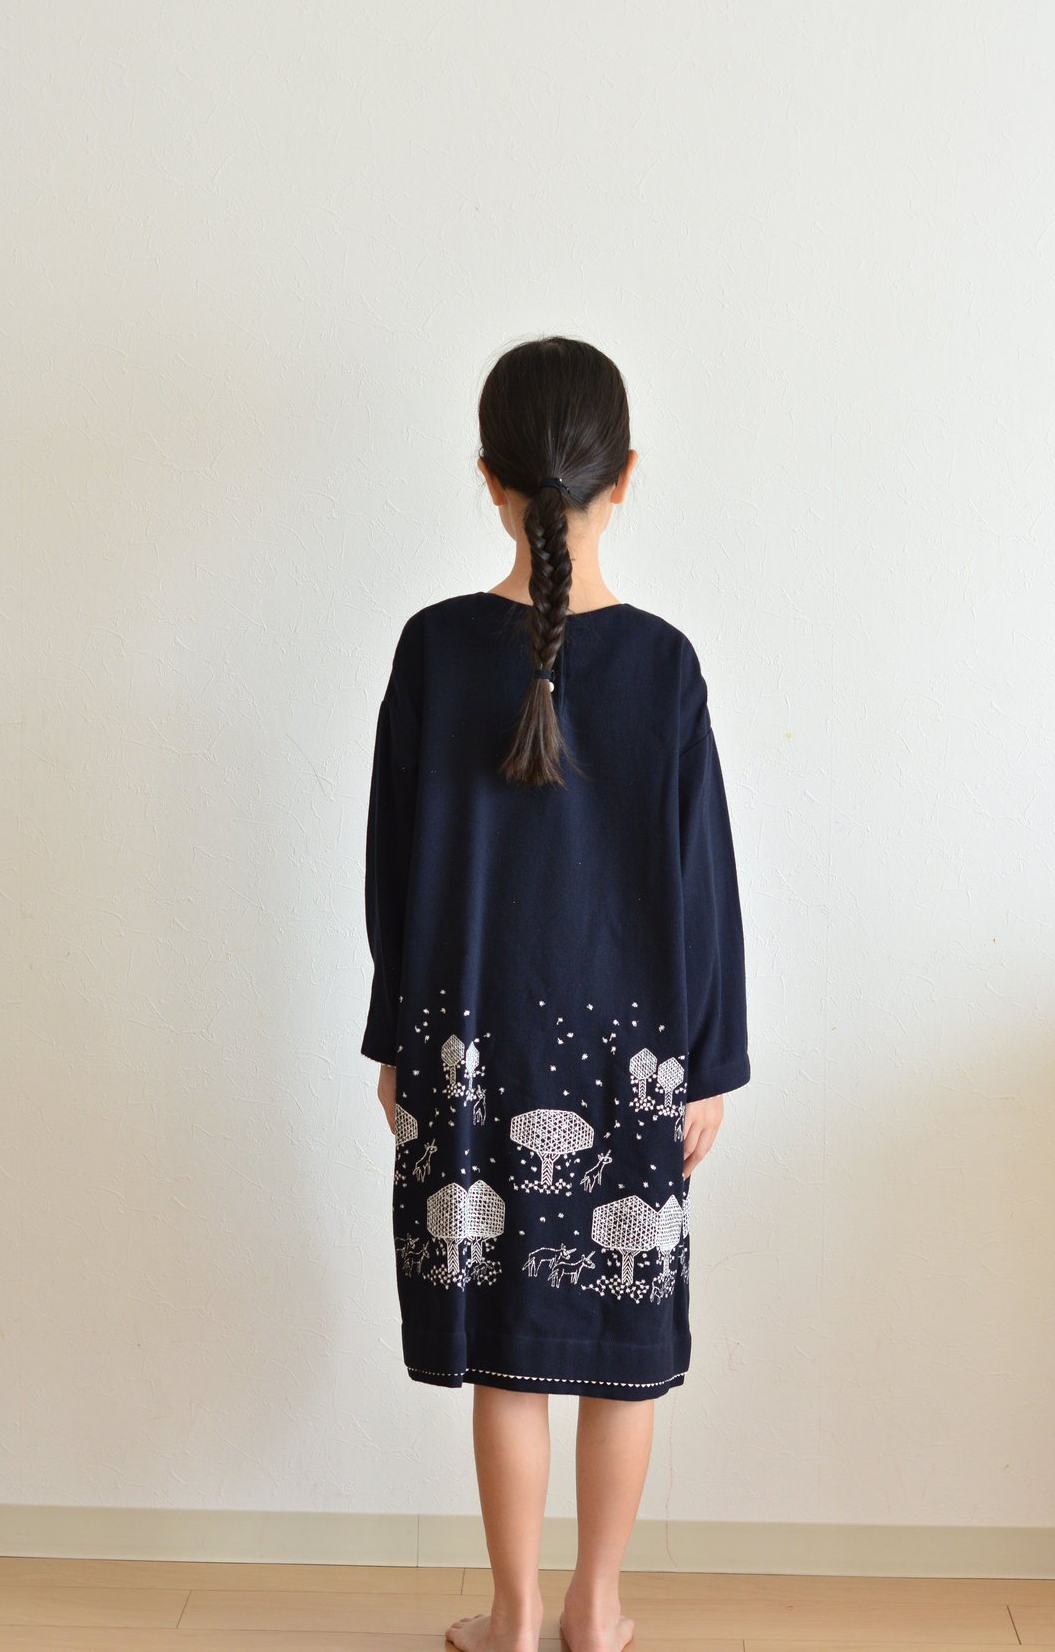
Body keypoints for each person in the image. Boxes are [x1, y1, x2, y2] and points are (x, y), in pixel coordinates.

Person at [360, 335, 750, 1652]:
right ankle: (598, 1609)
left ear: (490, 477)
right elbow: (705, 887)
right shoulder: (665, 666)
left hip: (467, 1044)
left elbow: (393, 872)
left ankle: (515, 1616)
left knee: (507, 1344)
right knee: (619, 1342)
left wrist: (396, 1041)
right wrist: (708, 1063)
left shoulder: (432, 651)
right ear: (623, 475)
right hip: (635, 1058)